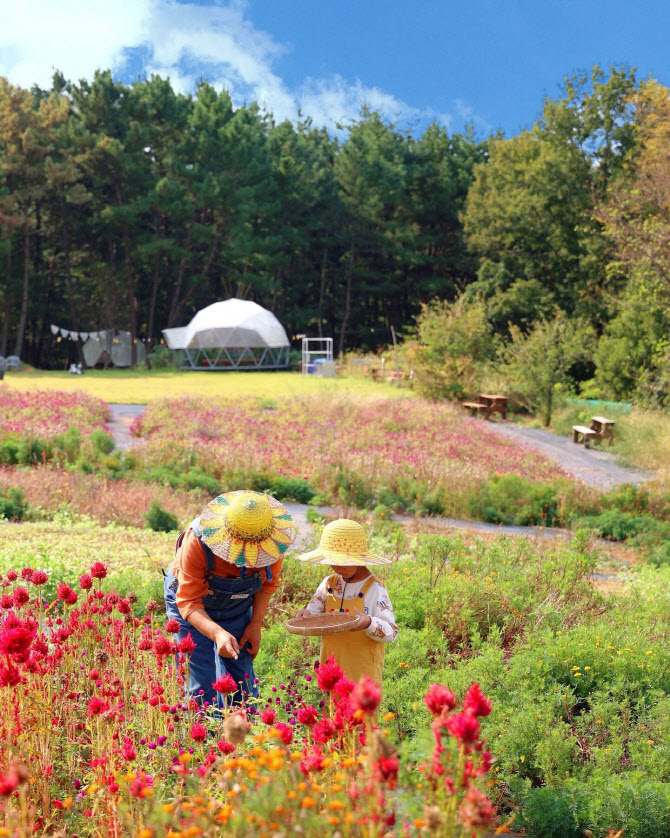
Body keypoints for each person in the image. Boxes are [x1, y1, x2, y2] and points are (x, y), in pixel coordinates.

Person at [163, 490, 295, 709]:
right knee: (202, 685)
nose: (246, 561)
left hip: (237, 608)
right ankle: (204, 739)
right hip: (192, 606)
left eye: (255, 555)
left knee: (243, 684)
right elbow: (188, 601)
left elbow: (267, 586)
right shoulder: (198, 541)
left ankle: (244, 740)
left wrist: (255, 624)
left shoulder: (272, 546)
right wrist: (217, 633)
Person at [293, 518, 398, 688]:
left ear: (359, 559)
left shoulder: (374, 589)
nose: (337, 567)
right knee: (333, 711)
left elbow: (391, 632)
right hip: (332, 664)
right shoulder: (329, 584)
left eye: (343, 562)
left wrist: (368, 622)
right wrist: (307, 615)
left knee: (360, 712)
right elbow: (314, 611)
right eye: (332, 561)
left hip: (361, 670)